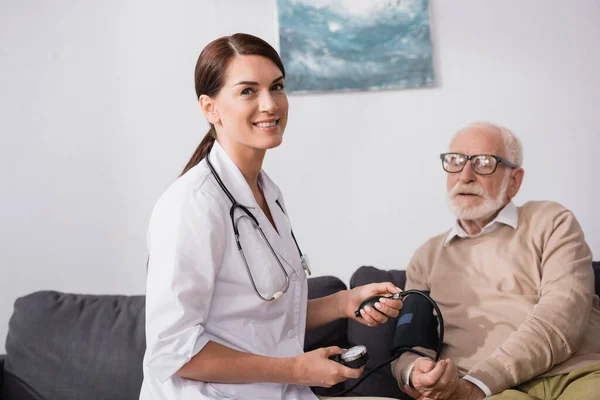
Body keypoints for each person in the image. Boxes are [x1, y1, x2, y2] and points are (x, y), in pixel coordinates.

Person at [140, 33, 403, 400]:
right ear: (210, 108)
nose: (270, 104)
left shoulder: (266, 191)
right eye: (248, 91)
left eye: (276, 87)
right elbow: (175, 352)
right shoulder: (190, 206)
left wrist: (345, 302)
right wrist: (296, 369)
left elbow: (261, 313)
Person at [392, 121, 600, 400]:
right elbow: (412, 344)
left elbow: (563, 314)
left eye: (483, 162)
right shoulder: (426, 257)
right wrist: (415, 371)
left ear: (514, 180)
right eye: (455, 161)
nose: (465, 175)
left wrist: (478, 384)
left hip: (575, 375)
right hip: (492, 392)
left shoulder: (551, 221)